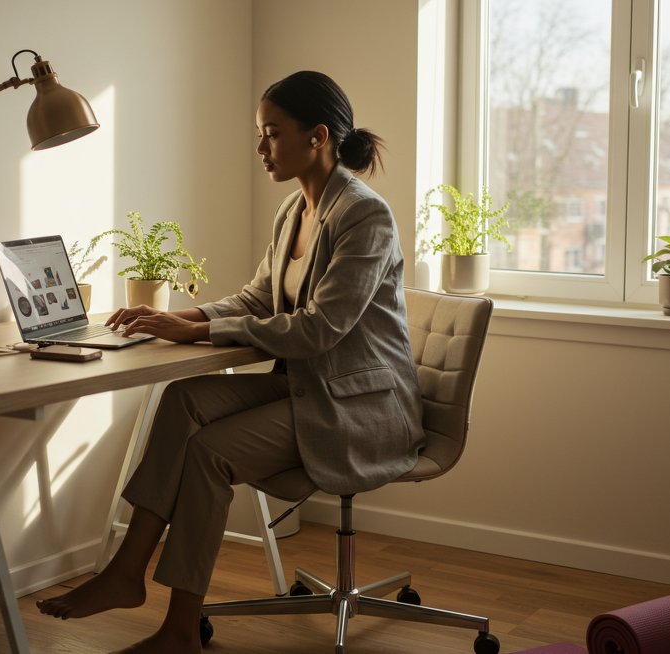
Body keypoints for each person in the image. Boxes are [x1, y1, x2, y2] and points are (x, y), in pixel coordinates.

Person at [36, 70, 425, 654]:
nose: (260, 146)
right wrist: (184, 319)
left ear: (317, 136)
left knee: (209, 454)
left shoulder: (364, 216)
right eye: (259, 132)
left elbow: (319, 328)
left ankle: (179, 630)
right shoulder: (294, 211)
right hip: (310, 388)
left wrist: (201, 332)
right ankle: (125, 574)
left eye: (271, 133)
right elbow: (256, 300)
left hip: (360, 406)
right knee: (183, 399)